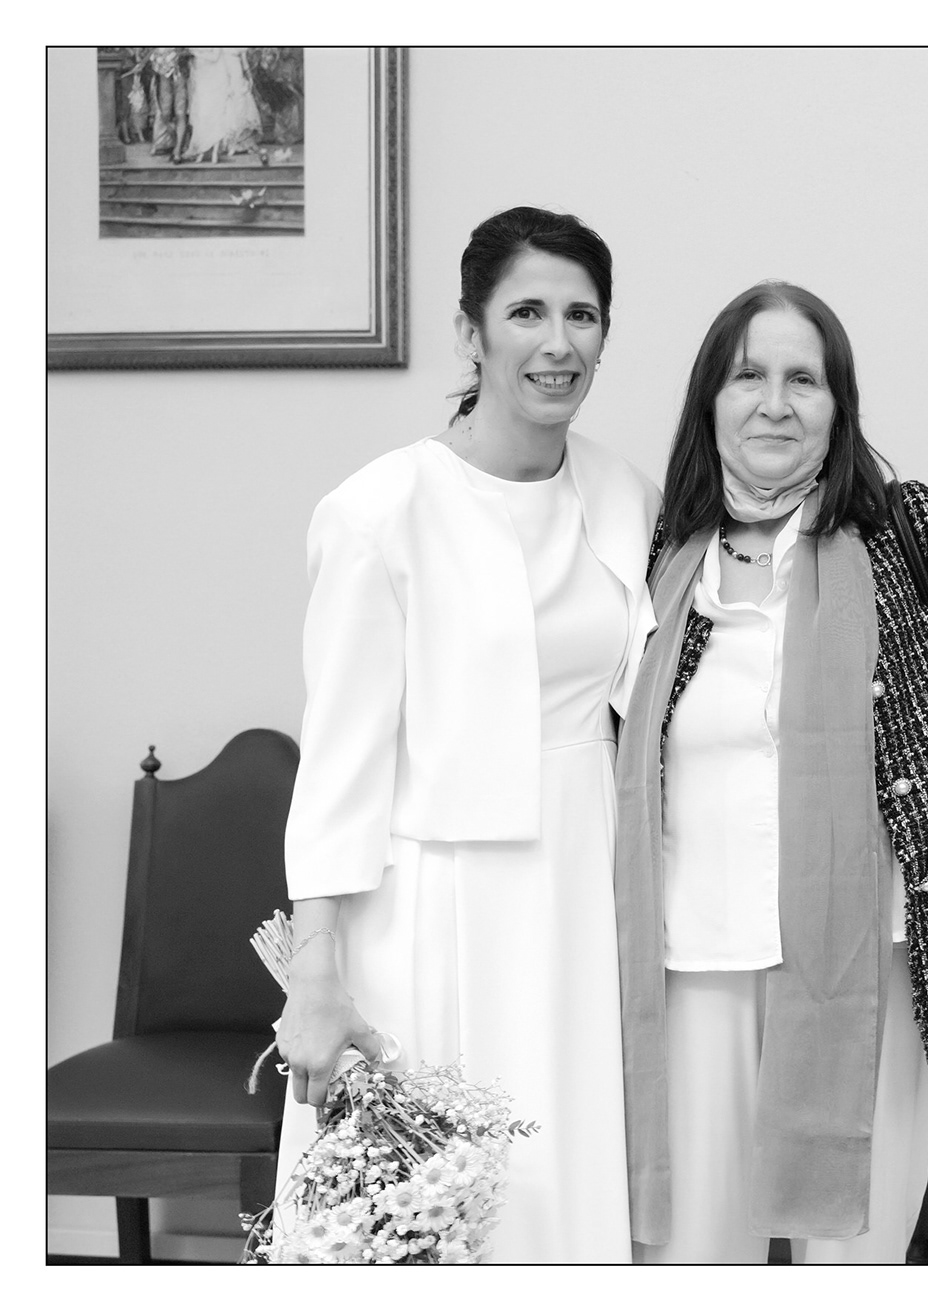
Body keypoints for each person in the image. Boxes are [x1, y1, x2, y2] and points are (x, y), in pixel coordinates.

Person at [615, 281, 928, 1263]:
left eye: (803, 379)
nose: (775, 403)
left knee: (854, 1254)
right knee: (689, 1257)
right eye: (747, 377)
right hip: (689, 958)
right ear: (709, 400)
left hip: (867, 957)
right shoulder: (657, 552)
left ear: (839, 404)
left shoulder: (908, 532)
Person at [272, 206, 659, 1262]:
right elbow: (339, 764)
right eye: (527, 312)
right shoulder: (378, 512)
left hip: (584, 892)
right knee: (438, 1204)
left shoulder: (627, 495)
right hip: (432, 905)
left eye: (582, 315)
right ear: (469, 332)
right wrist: (316, 970)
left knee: (565, 1182)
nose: (558, 342)